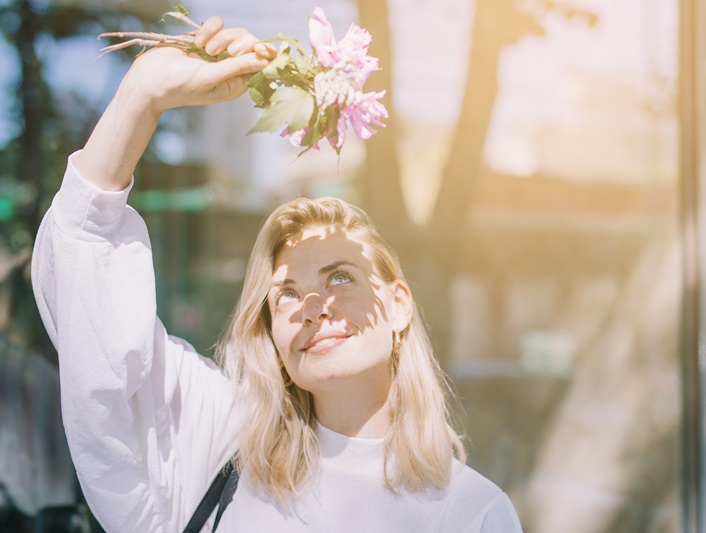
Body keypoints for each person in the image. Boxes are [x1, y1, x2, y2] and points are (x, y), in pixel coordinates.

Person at [31, 16, 523, 533]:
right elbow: (87, 299)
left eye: (339, 278)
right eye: (286, 293)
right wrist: (141, 96)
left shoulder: (473, 512)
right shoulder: (222, 444)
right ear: (271, 332)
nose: (314, 305)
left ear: (399, 303)